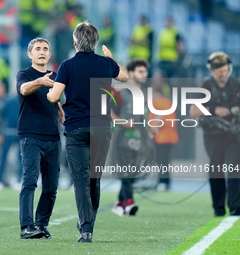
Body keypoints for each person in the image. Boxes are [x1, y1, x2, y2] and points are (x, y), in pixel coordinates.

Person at [47, 21, 128, 243]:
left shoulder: (66, 66)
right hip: (102, 128)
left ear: (75, 42)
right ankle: (88, 223)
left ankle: (86, 229)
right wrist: (111, 58)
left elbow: (54, 97)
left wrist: (48, 94)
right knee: (95, 179)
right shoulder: (105, 64)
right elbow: (125, 77)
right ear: (95, 41)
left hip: (76, 128)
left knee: (80, 181)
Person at [17, 37, 63, 239]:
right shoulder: (25, 74)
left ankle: (41, 225)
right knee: (29, 181)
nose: (42, 51)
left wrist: (62, 113)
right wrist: (40, 81)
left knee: (51, 186)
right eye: (37, 49)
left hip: (53, 137)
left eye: (45, 48)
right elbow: (23, 89)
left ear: (49, 54)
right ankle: (26, 227)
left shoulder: (55, 77)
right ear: (30, 54)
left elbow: (57, 103)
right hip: (31, 137)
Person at [190, 52, 240, 216]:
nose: (223, 74)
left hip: (233, 136)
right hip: (213, 136)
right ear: (212, 71)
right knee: (216, 170)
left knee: (235, 169)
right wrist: (214, 110)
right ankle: (218, 208)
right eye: (219, 71)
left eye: (225, 70)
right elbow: (193, 111)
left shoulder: (236, 85)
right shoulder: (206, 87)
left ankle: (235, 206)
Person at [108, 59, 156, 216]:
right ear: (131, 73)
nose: (144, 75)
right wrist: (123, 123)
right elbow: (109, 112)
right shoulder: (122, 93)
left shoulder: (145, 95)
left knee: (132, 174)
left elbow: (146, 117)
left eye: (145, 71)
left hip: (140, 141)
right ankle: (129, 202)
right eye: (140, 71)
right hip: (122, 139)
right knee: (126, 173)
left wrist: (151, 129)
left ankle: (120, 203)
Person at [149, 72, 179, 191]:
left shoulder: (157, 103)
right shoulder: (167, 102)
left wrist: (152, 133)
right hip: (170, 136)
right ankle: (166, 182)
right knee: (165, 161)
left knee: (162, 161)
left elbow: (158, 119)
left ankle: (162, 182)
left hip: (161, 137)